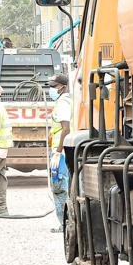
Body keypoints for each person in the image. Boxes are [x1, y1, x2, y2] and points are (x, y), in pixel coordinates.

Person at [47, 72, 75, 230]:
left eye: (53, 86)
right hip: (65, 150)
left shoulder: (63, 103)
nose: (50, 89)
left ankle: (64, 225)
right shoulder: (68, 100)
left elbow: (66, 129)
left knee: (59, 187)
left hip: (61, 152)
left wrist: (58, 152)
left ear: (62, 87)